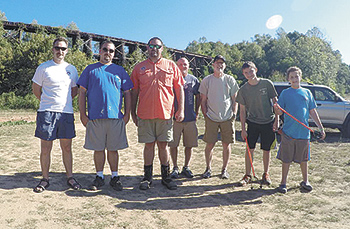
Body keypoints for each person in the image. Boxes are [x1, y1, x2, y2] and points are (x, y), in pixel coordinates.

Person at [77, 40, 133, 191]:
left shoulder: (120, 71)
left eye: (111, 51)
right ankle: (99, 176)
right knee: (98, 149)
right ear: (99, 51)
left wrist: (127, 114)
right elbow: (82, 92)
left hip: (115, 117)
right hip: (95, 117)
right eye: (105, 49)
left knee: (113, 149)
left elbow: (127, 93)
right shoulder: (90, 70)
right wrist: (82, 114)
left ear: (114, 54)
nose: (108, 53)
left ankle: (115, 177)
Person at [130, 37, 184, 190]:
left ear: (162, 48)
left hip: (165, 114)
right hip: (145, 114)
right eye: (151, 46)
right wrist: (132, 112)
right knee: (148, 146)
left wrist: (181, 109)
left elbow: (179, 88)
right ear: (147, 48)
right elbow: (134, 91)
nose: (154, 48)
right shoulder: (139, 68)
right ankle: (147, 177)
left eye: (157, 46)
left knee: (163, 145)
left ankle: (166, 177)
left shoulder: (171, 66)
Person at [32, 37, 80, 193]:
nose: (60, 51)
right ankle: (45, 179)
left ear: (67, 51)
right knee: (46, 148)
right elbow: (36, 89)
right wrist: (47, 102)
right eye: (57, 48)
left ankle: (70, 177)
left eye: (63, 49)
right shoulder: (43, 68)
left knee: (67, 148)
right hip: (46, 112)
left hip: (65, 113)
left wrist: (63, 103)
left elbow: (74, 91)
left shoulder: (72, 69)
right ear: (52, 49)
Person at [274, 66, 325, 194]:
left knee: (304, 159)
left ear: (300, 77)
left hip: (303, 133)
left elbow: (312, 112)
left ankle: (305, 181)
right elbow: (280, 111)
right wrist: (277, 110)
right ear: (288, 80)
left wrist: (320, 127)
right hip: (288, 133)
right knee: (286, 159)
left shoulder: (307, 93)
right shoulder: (285, 93)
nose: (295, 79)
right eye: (292, 77)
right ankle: (283, 183)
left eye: (296, 76)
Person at [236, 61, 279, 186]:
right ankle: (247, 175)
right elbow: (242, 112)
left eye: (251, 71)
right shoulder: (243, 90)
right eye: (246, 73)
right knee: (250, 149)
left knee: (267, 149)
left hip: (268, 122)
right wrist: (243, 129)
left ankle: (266, 174)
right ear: (243, 74)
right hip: (253, 123)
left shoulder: (267, 84)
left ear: (256, 69)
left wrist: (277, 121)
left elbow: (276, 104)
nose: (249, 74)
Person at [199, 55, 239, 179]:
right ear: (213, 65)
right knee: (210, 144)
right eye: (217, 63)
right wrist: (205, 115)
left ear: (225, 66)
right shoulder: (207, 80)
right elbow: (203, 100)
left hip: (227, 118)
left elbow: (234, 99)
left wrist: (233, 114)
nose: (219, 65)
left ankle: (224, 170)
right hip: (211, 117)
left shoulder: (230, 79)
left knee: (226, 144)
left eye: (222, 63)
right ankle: (208, 169)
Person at [169, 57, 201, 179]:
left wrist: (196, 112)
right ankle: (175, 167)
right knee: (173, 144)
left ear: (189, 66)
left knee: (189, 144)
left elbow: (198, 96)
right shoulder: (171, 78)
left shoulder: (193, 80)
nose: (183, 66)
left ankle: (186, 167)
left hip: (190, 118)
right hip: (174, 118)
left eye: (185, 64)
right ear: (176, 66)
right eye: (180, 64)